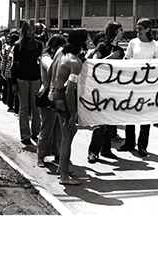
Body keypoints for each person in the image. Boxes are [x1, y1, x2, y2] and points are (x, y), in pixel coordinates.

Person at [47, 28, 89, 185]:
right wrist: (72, 114)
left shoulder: (62, 53)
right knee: (67, 135)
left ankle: (62, 168)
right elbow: (70, 91)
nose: (89, 41)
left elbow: (51, 71)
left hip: (55, 94)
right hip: (63, 98)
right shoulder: (75, 63)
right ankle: (64, 175)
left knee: (70, 133)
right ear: (82, 41)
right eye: (87, 38)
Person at [118, 18, 158, 157]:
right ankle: (129, 142)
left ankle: (142, 145)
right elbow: (126, 60)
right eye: (137, 29)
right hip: (132, 83)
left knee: (145, 116)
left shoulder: (156, 46)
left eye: (140, 29)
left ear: (148, 29)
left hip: (147, 86)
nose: (137, 32)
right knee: (130, 112)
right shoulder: (133, 43)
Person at [87, 21, 125, 163]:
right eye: (120, 30)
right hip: (101, 88)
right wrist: (111, 58)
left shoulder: (121, 50)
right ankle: (93, 151)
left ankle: (106, 149)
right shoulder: (102, 46)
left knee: (110, 120)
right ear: (115, 31)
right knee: (99, 122)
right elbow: (96, 63)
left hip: (114, 87)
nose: (123, 32)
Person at [36, 33, 66, 168]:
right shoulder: (46, 57)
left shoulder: (59, 57)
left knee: (59, 128)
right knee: (47, 127)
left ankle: (57, 154)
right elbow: (50, 69)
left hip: (58, 93)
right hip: (47, 93)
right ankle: (41, 156)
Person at [12, 20, 44, 145]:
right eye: (29, 30)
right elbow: (14, 66)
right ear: (24, 31)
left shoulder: (39, 45)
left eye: (32, 29)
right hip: (21, 79)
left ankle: (36, 133)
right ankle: (25, 135)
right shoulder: (18, 46)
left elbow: (41, 63)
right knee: (24, 108)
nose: (31, 32)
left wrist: (42, 81)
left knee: (36, 108)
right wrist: (14, 83)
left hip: (35, 78)